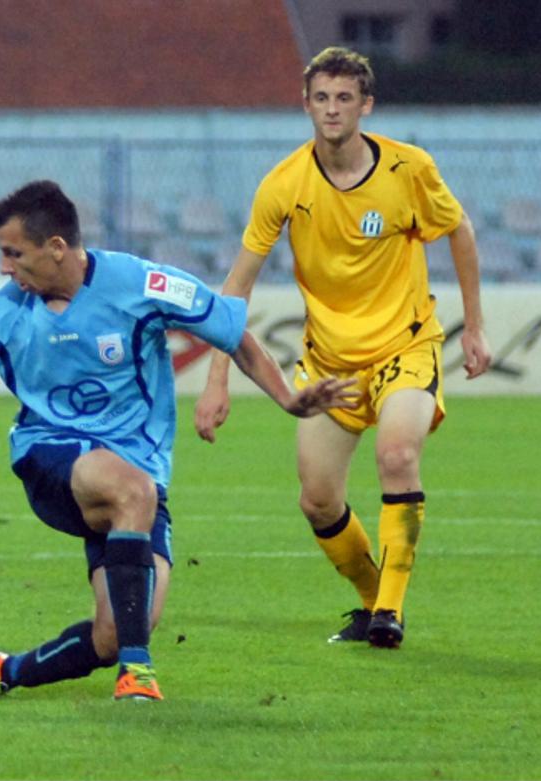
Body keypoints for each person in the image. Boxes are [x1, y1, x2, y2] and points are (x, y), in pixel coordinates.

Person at [0, 180, 354, 702]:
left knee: (117, 630)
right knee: (134, 501)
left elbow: (230, 330)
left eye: (14, 253)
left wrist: (288, 399)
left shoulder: (139, 284)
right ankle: (139, 673)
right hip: (49, 456)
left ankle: (0, 672)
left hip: (135, 472)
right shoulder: (2, 314)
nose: (5, 268)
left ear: (56, 247)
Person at [193, 47, 493, 649]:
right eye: (321, 98)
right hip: (330, 365)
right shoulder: (284, 184)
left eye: (344, 98)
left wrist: (476, 326)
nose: (332, 110)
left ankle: (390, 615)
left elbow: (458, 229)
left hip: (405, 348)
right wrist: (217, 379)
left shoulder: (408, 170)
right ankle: (372, 603)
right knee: (317, 500)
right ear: (306, 104)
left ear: (366, 105)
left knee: (398, 455)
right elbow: (236, 289)